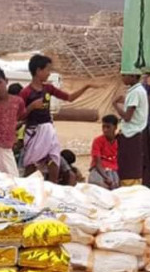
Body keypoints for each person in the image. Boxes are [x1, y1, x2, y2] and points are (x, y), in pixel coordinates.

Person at [19, 54, 96, 182]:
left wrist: (86, 87)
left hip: (48, 129)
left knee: (54, 158)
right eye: (47, 70)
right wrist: (31, 107)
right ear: (38, 71)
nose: (49, 73)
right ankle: (28, 185)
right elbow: (19, 116)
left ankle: (53, 187)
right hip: (34, 131)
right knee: (32, 163)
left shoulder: (48, 88)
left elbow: (69, 98)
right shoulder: (26, 92)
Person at [114, 72, 149, 187]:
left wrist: (115, 105)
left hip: (131, 133)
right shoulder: (138, 90)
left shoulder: (135, 92)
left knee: (129, 166)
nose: (122, 78)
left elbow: (127, 117)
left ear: (133, 76)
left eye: (125, 75)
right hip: (134, 132)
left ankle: (129, 189)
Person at [88, 115, 120, 189]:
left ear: (115, 127)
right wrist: (106, 178)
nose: (105, 130)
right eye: (103, 127)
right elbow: (97, 163)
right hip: (99, 171)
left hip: (113, 171)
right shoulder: (97, 141)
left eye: (108, 127)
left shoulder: (119, 141)